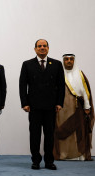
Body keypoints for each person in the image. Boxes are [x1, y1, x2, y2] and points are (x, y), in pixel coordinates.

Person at [19, 39, 65, 170]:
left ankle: (49, 161)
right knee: (35, 135)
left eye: (45, 46)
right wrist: (24, 103)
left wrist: (59, 103)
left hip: (51, 106)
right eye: (39, 46)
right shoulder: (27, 64)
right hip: (33, 106)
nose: (42, 48)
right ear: (35, 49)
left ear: (48, 48)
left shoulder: (56, 64)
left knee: (50, 135)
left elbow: (61, 86)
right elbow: (23, 85)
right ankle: (36, 161)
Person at [53, 54, 94, 161]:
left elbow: (85, 92)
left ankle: (78, 154)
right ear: (63, 61)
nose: (69, 61)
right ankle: (63, 154)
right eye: (66, 59)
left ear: (74, 61)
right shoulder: (58, 74)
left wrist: (87, 106)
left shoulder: (80, 74)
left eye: (71, 59)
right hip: (61, 110)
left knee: (77, 132)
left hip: (77, 109)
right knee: (62, 129)